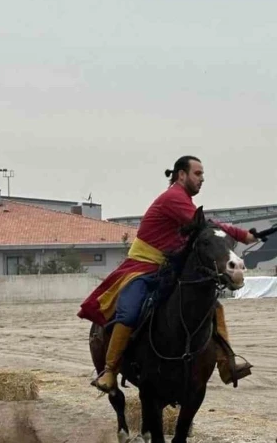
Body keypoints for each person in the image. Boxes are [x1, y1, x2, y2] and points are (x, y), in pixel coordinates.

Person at [79, 156, 257, 393]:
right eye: (198, 173)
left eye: (203, 174)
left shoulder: (184, 201)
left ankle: (226, 363)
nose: (202, 179)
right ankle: (110, 370)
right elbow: (206, 226)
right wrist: (242, 235)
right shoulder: (174, 198)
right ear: (181, 175)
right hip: (142, 266)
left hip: (168, 269)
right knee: (129, 311)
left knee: (213, 306)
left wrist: (240, 235)